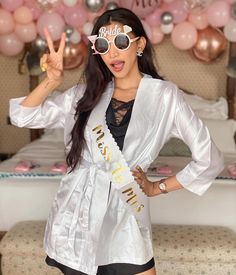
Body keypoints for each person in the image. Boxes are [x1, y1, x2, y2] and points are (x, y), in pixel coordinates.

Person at [9, 7, 224, 275]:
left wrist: (157, 188)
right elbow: (21, 117)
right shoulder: (85, 93)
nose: (112, 53)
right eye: (102, 44)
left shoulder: (165, 97)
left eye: (120, 42)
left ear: (139, 44)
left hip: (127, 212)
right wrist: (51, 82)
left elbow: (210, 159)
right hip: (78, 212)